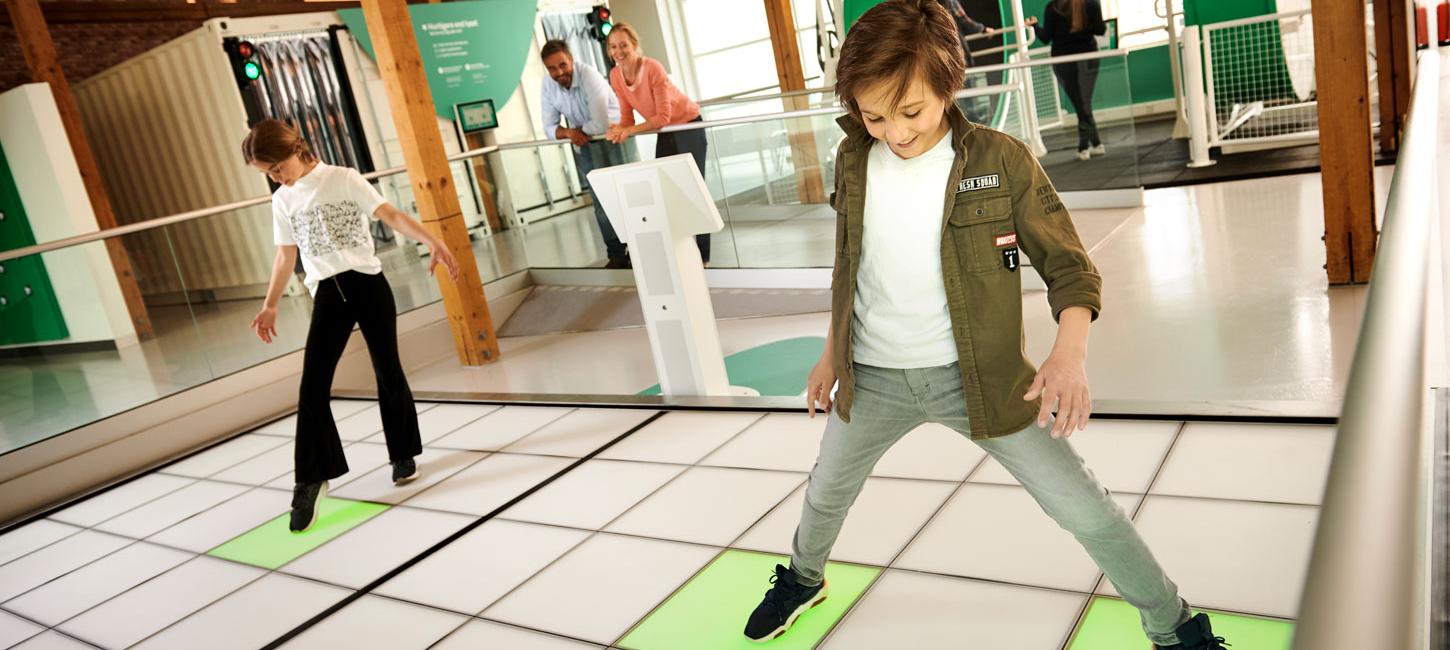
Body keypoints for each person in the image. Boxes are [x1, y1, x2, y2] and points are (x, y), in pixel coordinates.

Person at [740, 3, 1227, 650]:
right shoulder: (853, 162)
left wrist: (1069, 353)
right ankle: (804, 578)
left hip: (983, 379)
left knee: (1084, 509)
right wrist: (832, 353)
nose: (894, 132)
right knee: (826, 491)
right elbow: (848, 266)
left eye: (909, 112)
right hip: (875, 377)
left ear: (949, 87)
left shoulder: (1001, 160)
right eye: (873, 115)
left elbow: (1070, 267)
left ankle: (1174, 625)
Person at [243, 119, 461, 533]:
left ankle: (403, 454)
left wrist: (433, 240)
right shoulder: (281, 200)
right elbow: (285, 256)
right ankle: (310, 478)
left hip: (367, 285)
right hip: (327, 293)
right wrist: (270, 304)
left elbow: (390, 214)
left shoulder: (343, 179)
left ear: (295, 149)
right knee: (312, 386)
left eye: (275, 167)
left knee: (387, 370)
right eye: (267, 173)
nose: (275, 177)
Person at [603, 21, 711, 264]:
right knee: (664, 193)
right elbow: (627, 118)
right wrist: (618, 128)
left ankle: (703, 256)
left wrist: (628, 130)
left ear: (635, 45)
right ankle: (681, 251)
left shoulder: (652, 68)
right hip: (666, 131)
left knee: (693, 192)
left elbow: (663, 117)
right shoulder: (616, 76)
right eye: (613, 47)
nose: (618, 51)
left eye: (623, 45)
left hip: (688, 124)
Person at [539, 39, 632, 269]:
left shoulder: (589, 75)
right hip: (587, 141)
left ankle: (639, 247)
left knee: (626, 192)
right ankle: (617, 255)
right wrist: (569, 133)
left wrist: (574, 132)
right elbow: (549, 127)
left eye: (562, 65)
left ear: (571, 60)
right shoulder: (548, 85)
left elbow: (600, 122)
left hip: (614, 135)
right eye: (552, 68)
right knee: (600, 199)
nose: (558, 72)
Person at [1034, 0, 1107, 160]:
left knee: (1081, 105)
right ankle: (1095, 144)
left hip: (1063, 61)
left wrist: (1034, 25)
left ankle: (1084, 147)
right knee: (1084, 104)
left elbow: (1046, 37)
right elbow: (1100, 30)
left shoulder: (1052, 7)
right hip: (1089, 57)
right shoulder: (1092, 3)